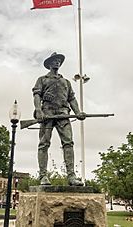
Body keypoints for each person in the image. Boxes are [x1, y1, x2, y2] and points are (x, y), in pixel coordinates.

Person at [32, 52, 85, 186]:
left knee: (68, 143)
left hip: (63, 114)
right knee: (44, 144)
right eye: (54, 60)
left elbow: (71, 98)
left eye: (58, 61)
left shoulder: (66, 82)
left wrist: (78, 112)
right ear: (49, 64)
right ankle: (43, 175)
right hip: (47, 114)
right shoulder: (42, 79)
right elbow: (37, 95)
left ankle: (71, 177)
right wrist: (38, 110)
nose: (57, 62)